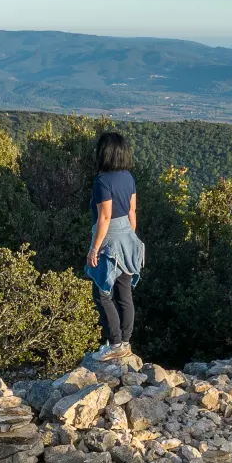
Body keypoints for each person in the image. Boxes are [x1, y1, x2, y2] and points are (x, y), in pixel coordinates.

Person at [86, 131, 144, 361]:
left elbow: (105, 217)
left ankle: (115, 343)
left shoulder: (102, 181)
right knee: (124, 293)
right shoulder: (128, 177)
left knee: (101, 292)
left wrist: (94, 248)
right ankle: (126, 343)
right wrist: (130, 238)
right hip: (128, 238)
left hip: (109, 241)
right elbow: (132, 211)